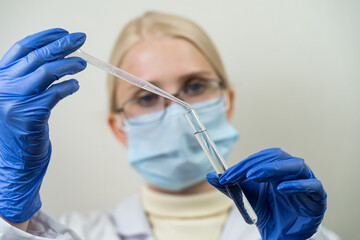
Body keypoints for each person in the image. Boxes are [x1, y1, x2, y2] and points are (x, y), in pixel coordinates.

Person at [0, 11, 339, 240]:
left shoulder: (302, 229)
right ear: (119, 127)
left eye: (194, 87)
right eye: (147, 97)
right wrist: (10, 214)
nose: (179, 110)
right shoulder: (69, 231)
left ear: (227, 102)